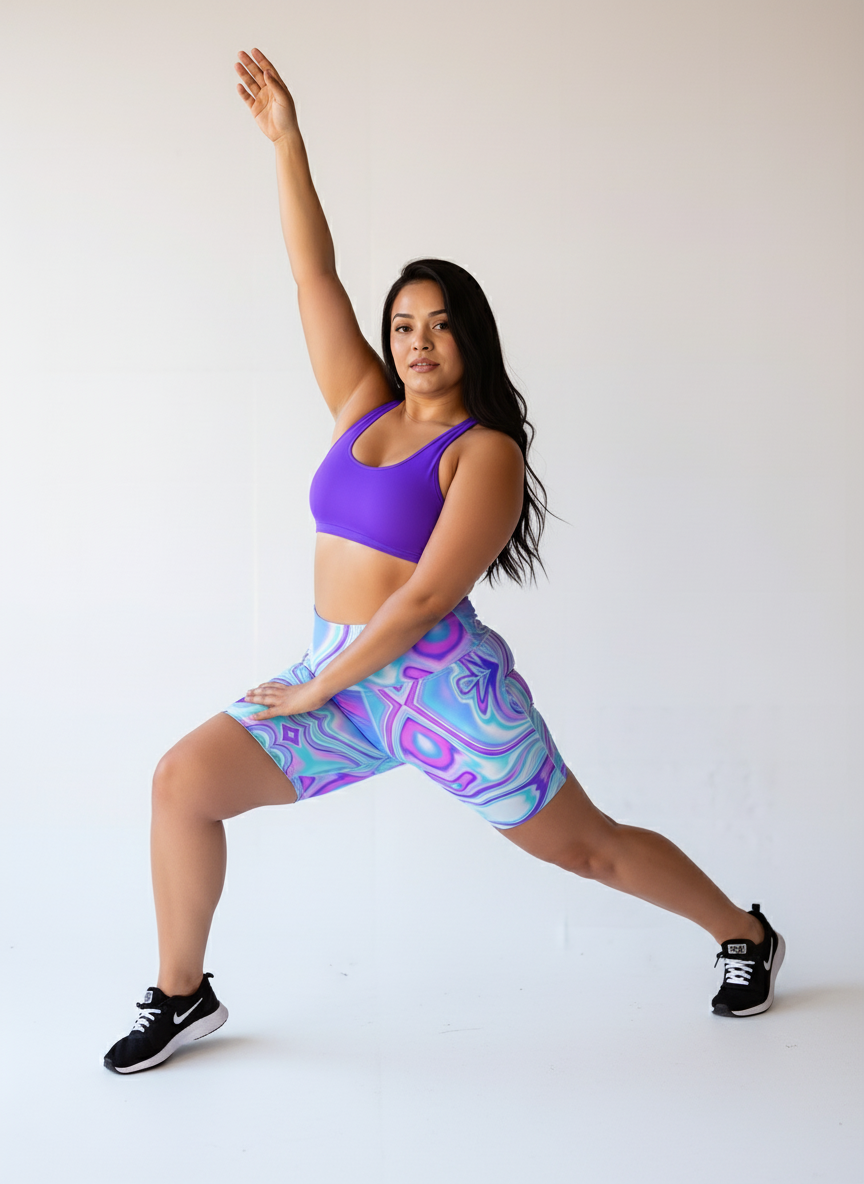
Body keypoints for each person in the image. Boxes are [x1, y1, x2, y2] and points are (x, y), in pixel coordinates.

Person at [103, 48, 785, 1075]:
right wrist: (289, 143)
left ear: (472, 339)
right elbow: (313, 275)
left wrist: (321, 683)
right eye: (403, 324)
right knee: (180, 782)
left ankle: (744, 930)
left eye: (439, 325)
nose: (417, 340)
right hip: (336, 671)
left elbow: (427, 595)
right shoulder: (360, 407)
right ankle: (181, 989)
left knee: (586, 844)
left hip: (433, 682)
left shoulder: (486, 452)